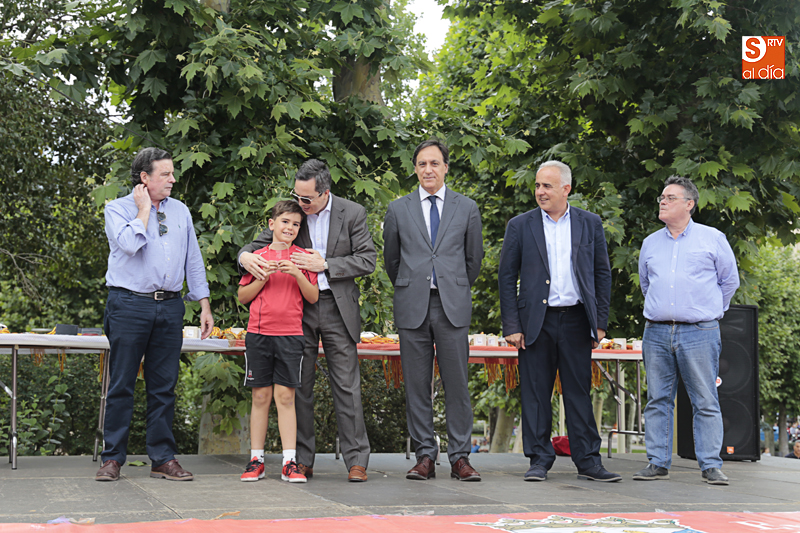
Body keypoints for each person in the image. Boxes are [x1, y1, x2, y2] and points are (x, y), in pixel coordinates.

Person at [238, 159, 375, 482]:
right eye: (296, 196)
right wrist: (244, 257)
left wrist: (325, 264)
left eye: (307, 198)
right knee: (299, 386)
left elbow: (367, 259)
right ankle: (300, 460)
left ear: (324, 192)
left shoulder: (352, 213)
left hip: (338, 308)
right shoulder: (294, 216)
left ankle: (357, 460)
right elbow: (256, 246)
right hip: (298, 309)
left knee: (346, 385)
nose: (301, 203)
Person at [96, 147, 214, 482]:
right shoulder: (117, 209)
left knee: (164, 386)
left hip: (171, 305)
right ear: (145, 178)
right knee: (121, 384)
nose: (173, 179)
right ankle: (112, 458)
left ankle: (162, 458)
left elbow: (193, 259)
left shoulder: (181, 211)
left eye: (172, 173)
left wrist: (203, 303)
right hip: (129, 304)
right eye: (165, 174)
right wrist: (144, 209)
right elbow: (130, 244)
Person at [498, 160, 620, 483]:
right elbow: (506, 277)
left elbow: (602, 273)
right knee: (536, 394)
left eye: (547, 186)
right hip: (535, 322)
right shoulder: (520, 225)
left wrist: (600, 322)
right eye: (537, 185)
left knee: (578, 393)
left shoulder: (589, 223)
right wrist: (512, 325)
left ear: (566, 188)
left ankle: (588, 461)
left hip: (578, 320)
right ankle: (539, 460)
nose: (540, 192)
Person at [383, 138, 484, 482]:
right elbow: (392, 261)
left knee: (458, 385)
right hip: (412, 305)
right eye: (422, 164)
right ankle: (425, 455)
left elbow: (473, 260)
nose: (428, 169)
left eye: (434, 163)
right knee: (416, 385)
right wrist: (412, 284)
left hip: (451, 305)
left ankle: (460, 458)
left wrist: (451, 285)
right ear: (415, 169)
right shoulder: (398, 209)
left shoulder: (466, 207)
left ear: (446, 168)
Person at [634, 176, 739, 486]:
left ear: (689, 204)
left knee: (705, 399)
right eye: (661, 197)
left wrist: (709, 312)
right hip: (656, 332)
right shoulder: (650, 243)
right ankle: (657, 462)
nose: (662, 202)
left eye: (670, 197)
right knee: (657, 399)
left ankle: (710, 465)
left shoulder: (713, 238)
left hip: (699, 332)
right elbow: (646, 284)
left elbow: (729, 281)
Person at [238, 201, 319, 483]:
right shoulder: (256, 257)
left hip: (291, 335)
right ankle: (256, 460)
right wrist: (262, 277)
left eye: (296, 224)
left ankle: (289, 462)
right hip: (259, 334)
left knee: (286, 397)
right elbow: (243, 297)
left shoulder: (304, 258)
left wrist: (296, 273)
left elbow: (313, 297)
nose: (290, 228)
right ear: (272, 224)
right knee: (260, 397)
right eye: (285, 221)